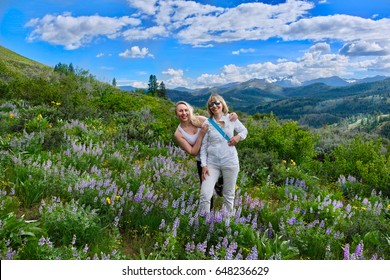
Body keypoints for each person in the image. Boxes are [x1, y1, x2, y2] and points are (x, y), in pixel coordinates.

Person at [173, 101, 237, 203]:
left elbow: (219, 125)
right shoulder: (178, 133)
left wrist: (231, 117)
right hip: (202, 162)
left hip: (217, 155)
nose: (184, 113)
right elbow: (193, 152)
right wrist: (201, 134)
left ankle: (218, 185)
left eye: (186, 110)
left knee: (229, 175)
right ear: (176, 113)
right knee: (207, 192)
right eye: (180, 111)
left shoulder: (200, 120)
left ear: (189, 111)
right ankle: (207, 215)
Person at [199, 94, 248, 215]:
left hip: (230, 161)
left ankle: (226, 224)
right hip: (212, 164)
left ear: (222, 104)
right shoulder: (207, 122)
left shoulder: (231, 118)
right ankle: (204, 223)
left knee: (229, 195)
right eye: (211, 104)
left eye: (217, 103)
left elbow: (244, 131)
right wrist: (204, 165)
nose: (214, 106)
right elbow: (204, 146)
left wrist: (238, 137)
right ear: (209, 108)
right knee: (205, 194)